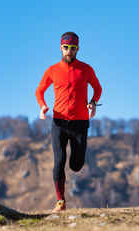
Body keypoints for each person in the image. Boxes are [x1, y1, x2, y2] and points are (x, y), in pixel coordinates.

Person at [35, 31, 102, 212]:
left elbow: (97, 87)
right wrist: (42, 106)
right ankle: (60, 201)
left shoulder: (86, 69)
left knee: (76, 165)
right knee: (59, 160)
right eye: (66, 48)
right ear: (60, 48)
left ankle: (75, 165)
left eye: (72, 48)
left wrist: (93, 102)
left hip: (80, 122)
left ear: (77, 49)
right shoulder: (52, 70)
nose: (69, 51)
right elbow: (39, 91)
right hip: (59, 122)